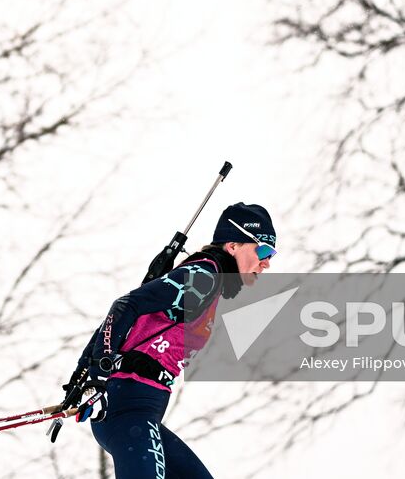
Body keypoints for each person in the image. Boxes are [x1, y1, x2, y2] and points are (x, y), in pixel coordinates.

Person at [64, 202, 277, 478]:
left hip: (140, 411)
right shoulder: (204, 277)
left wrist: (82, 375)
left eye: (271, 254)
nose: (267, 262)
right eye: (263, 250)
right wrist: (95, 376)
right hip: (128, 407)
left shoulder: (210, 283)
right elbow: (124, 306)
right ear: (233, 246)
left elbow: (127, 316)